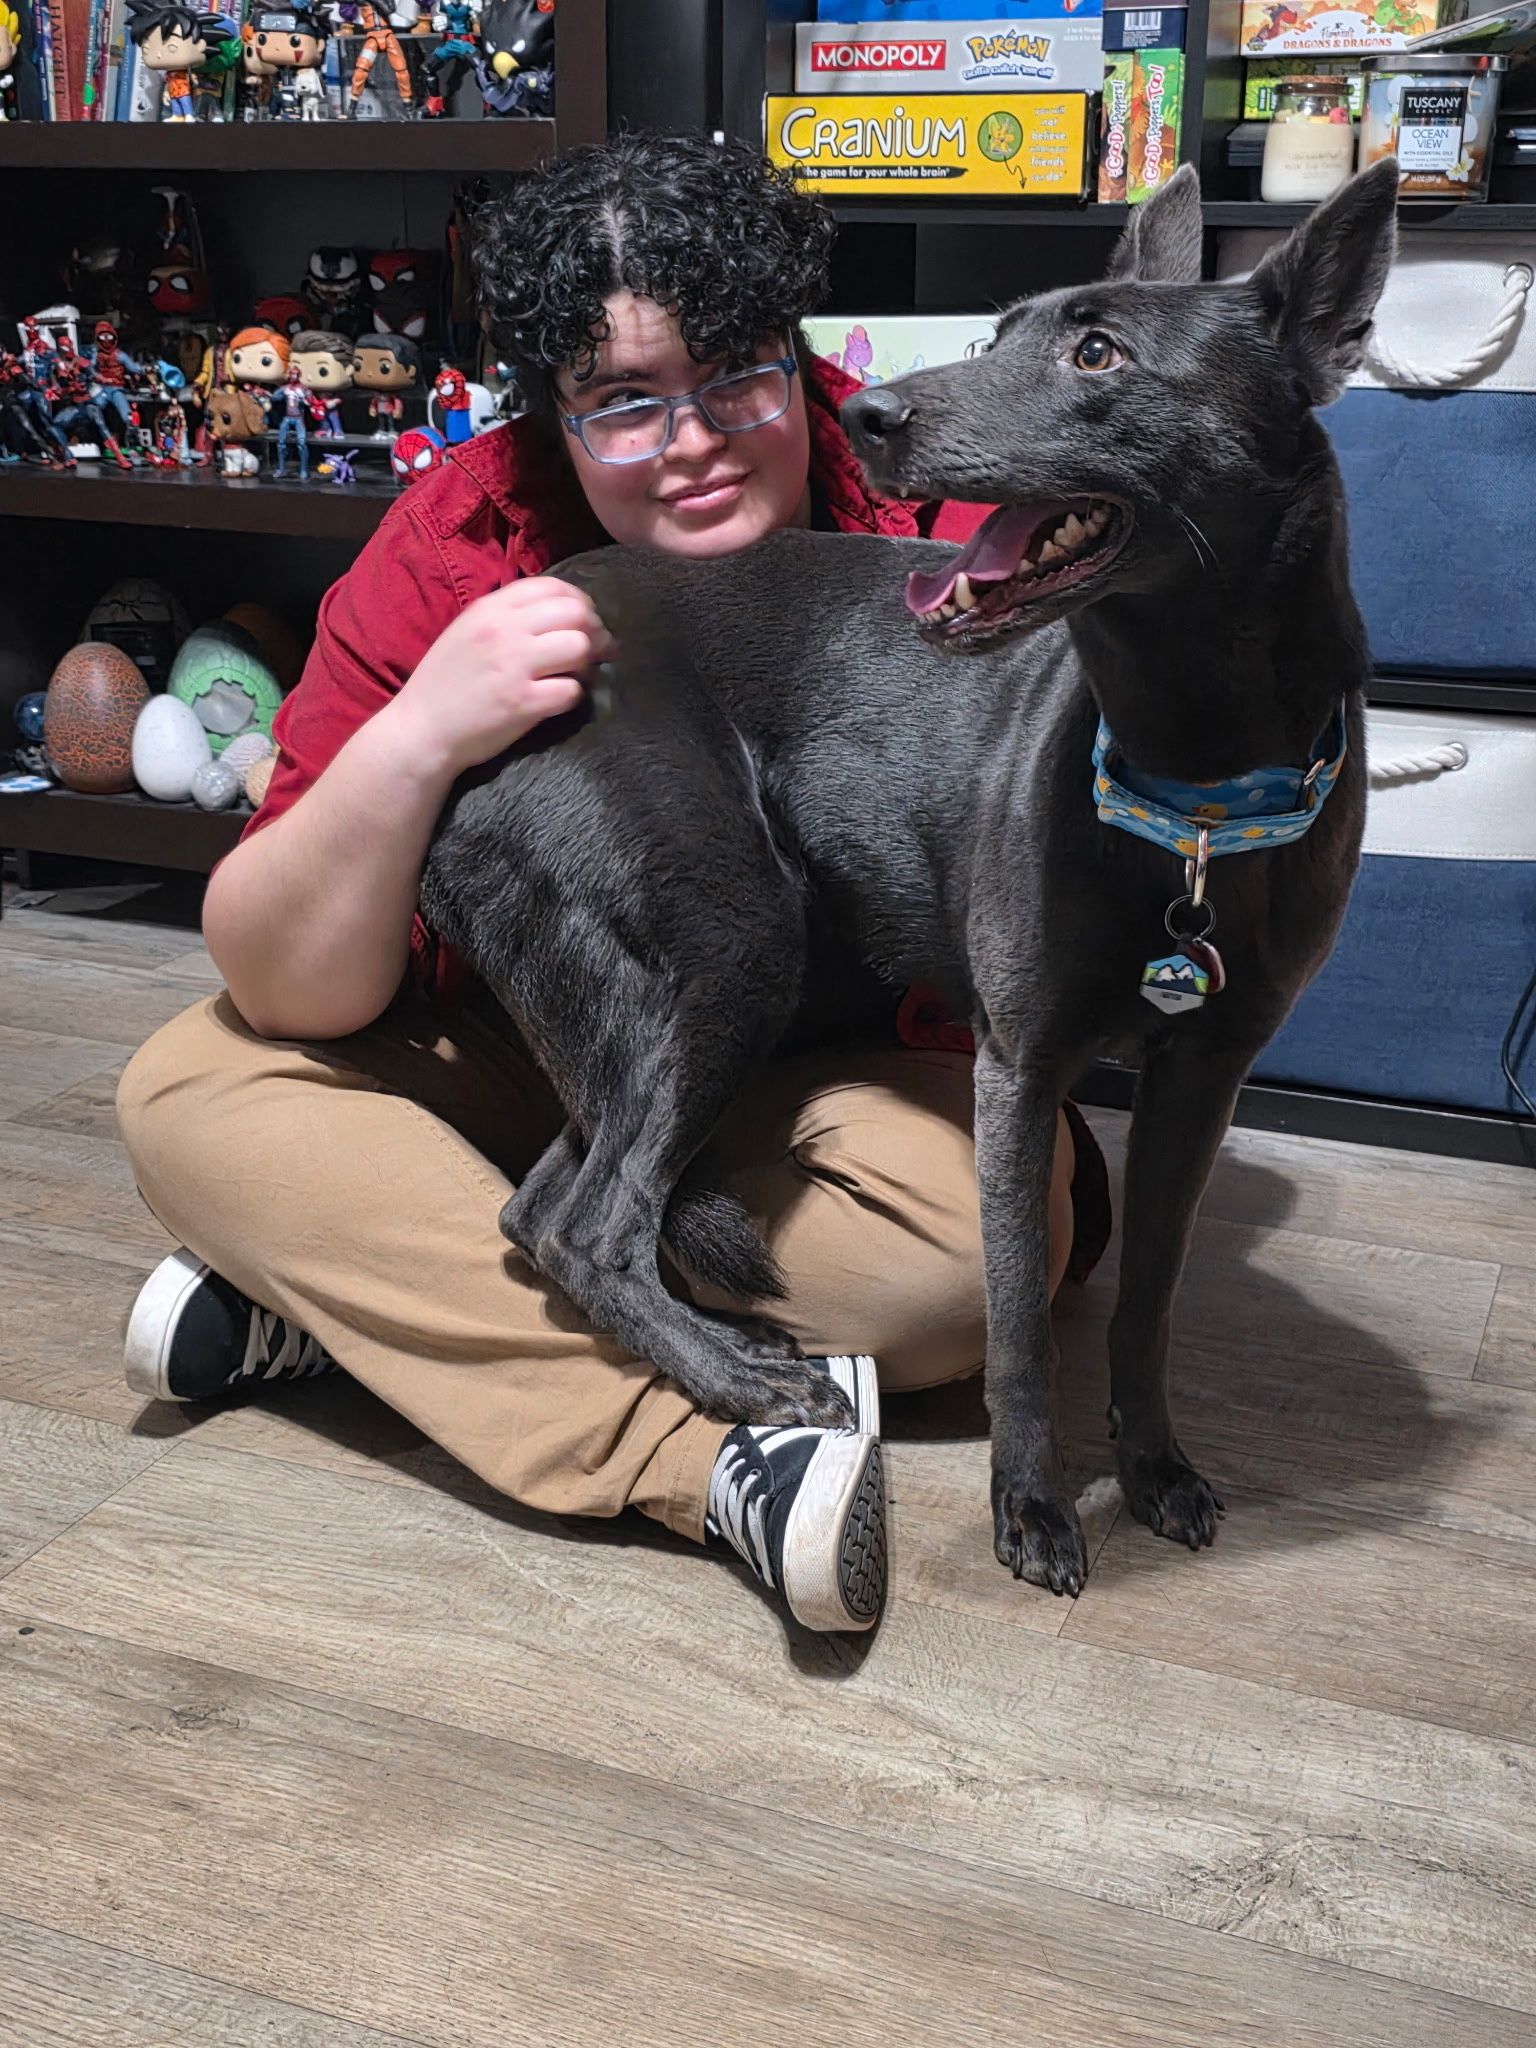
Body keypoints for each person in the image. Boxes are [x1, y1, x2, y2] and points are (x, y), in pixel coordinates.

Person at [116, 132, 1109, 1637]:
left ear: (804, 361)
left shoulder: (933, 516)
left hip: (797, 1087)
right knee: (188, 1098)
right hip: (507, 1047)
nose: (696, 439)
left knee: (979, 1253)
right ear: (552, 417)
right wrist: (421, 733)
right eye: (623, 405)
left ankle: (348, 1297)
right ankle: (707, 1453)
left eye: (736, 377)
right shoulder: (457, 540)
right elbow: (284, 983)